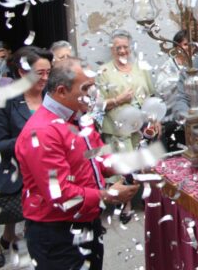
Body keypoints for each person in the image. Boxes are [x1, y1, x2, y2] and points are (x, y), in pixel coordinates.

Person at [15, 58, 139, 270]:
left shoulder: (79, 117)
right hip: (57, 234)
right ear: (62, 91)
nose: (93, 93)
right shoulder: (43, 132)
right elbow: (60, 194)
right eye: (86, 88)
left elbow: (96, 154)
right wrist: (107, 195)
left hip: (87, 225)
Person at [0, 47, 52, 267]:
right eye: (40, 73)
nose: (45, 78)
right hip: (22, 180)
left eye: (48, 73)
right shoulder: (5, 100)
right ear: (22, 72)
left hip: (52, 179)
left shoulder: (52, 96)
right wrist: (30, 140)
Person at [96, 30, 155, 153]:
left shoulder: (140, 68)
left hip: (142, 130)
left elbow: (151, 95)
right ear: (112, 49)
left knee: (145, 168)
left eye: (125, 47)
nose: (122, 51)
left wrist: (154, 120)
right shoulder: (103, 72)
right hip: (118, 133)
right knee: (126, 170)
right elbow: (97, 106)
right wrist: (118, 100)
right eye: (118, 48)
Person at [154, 30, 191, 151]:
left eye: (191, 44)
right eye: (185, 44)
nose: (188, 48)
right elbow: (159, 93)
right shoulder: (167, 67)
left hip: (192, 120)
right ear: (176, 47)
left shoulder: (195, 63)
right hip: (172, 120)